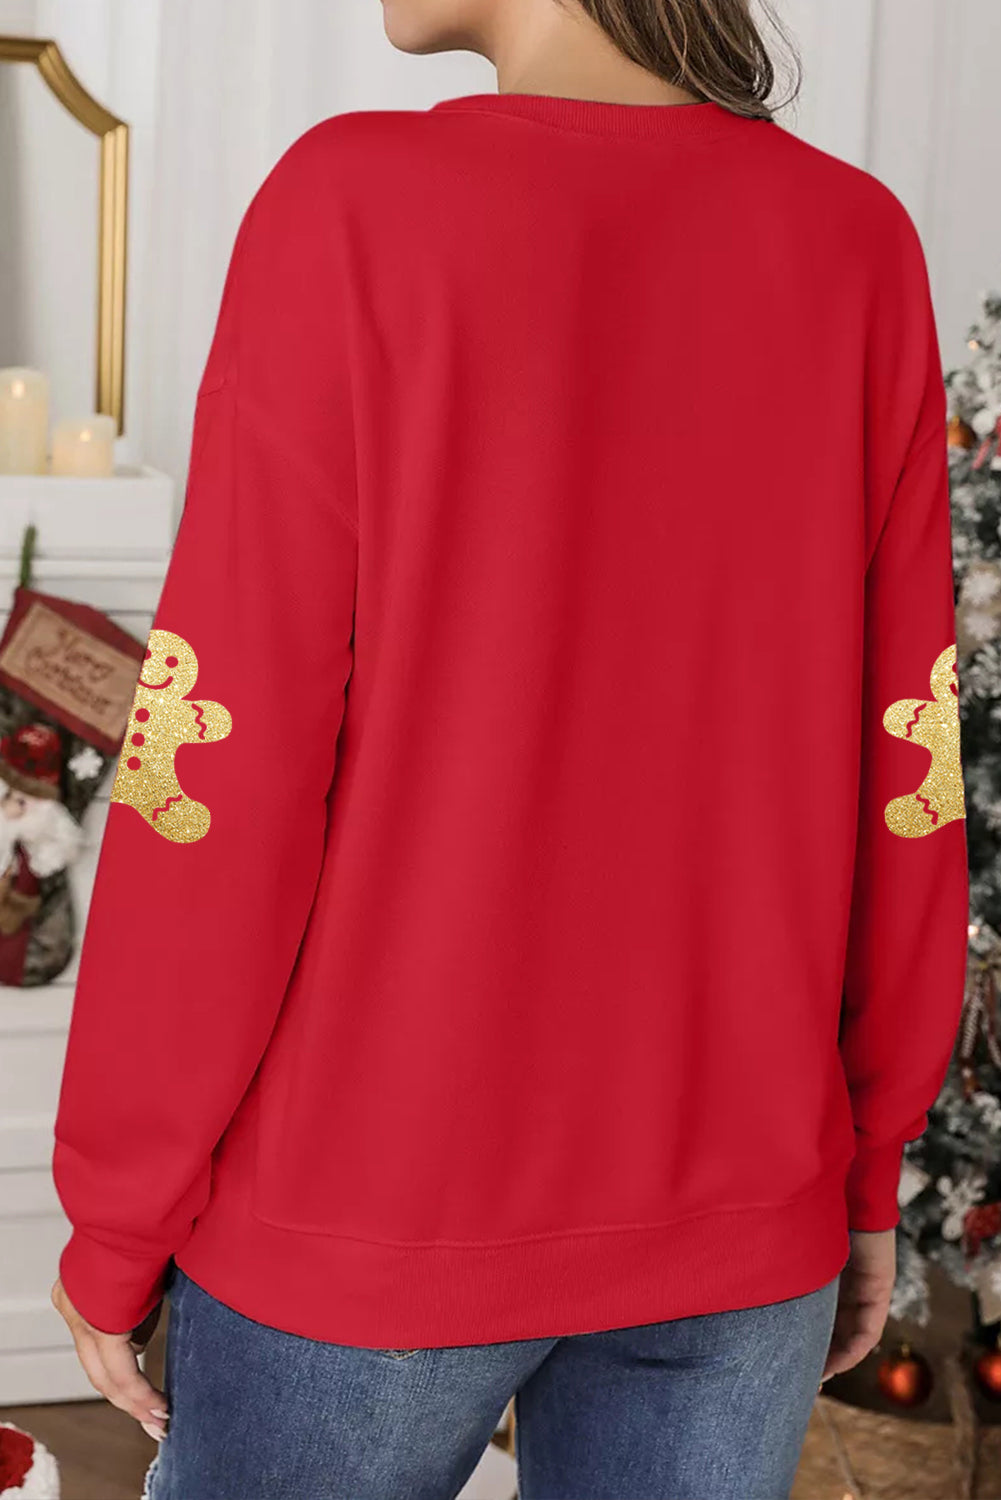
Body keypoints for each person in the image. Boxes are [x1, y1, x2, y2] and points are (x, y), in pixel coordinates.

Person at [49, 1, 970, 1496]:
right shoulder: (855, 242)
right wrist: (867, 1165)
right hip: (744, 1221)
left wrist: (120, 1204)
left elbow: (217, 760)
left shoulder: (351, 204)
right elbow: (907, 765)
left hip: (365, 1216)